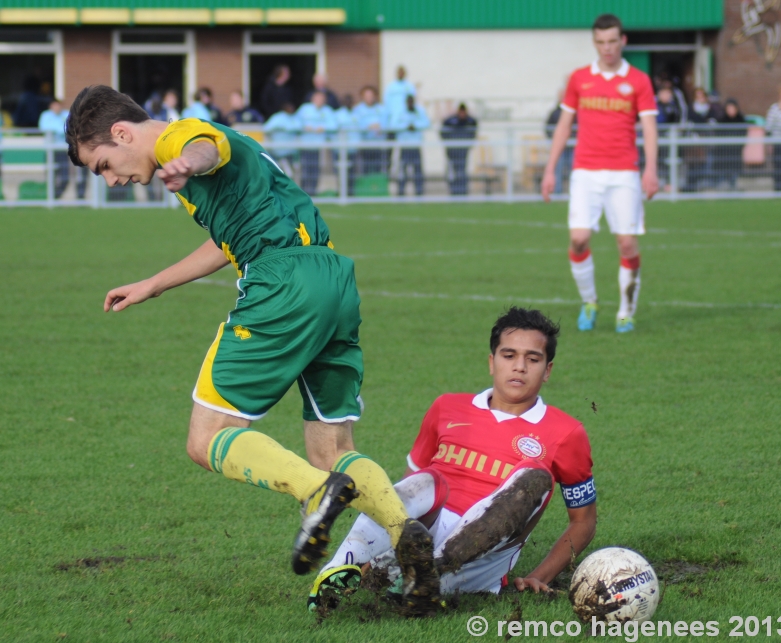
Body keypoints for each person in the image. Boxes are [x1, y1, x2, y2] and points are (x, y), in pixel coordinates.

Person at [64, 85, 441, 613]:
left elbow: (204, 145)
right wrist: (153, 283)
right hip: (333, 280)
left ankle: (316, 494)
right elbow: (227, 238)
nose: (110, 178)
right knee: (333, 446)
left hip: (281, 283)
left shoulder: (180, 140)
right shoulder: (217, 160)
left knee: (207, 440)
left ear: (122, 133)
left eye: (103, 163)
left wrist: (185, 163)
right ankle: (406, 534)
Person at [308, 307, 596, 610]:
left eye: (532, 359)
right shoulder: (447, 407)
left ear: (548, 370)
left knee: (533, 477)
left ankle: (423, 576)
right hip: (422, 536)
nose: (519, 367)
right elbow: (407, 492)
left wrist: (541, 575)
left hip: (484, 554)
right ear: (492, 362)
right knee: (426, 481)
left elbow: (584, 521)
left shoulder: (566, 432)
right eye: (509, 355)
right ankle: (346, 569)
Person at [541, 14, 659, 334]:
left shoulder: (639, 80)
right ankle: (590, 301)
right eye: (601, 42)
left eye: (612, 41)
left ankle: (625, 311)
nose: (607, 48)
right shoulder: (579, 78)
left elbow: (649, 126)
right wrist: (550, 169)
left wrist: (651, 169)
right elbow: (564, 125)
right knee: (578, 240)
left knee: (627, 244)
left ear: (623, 42)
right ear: (595, 43)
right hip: (586, 172)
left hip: (624, 173)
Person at [38, 99, 87, 199]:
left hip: (65, 150)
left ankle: (56, 197)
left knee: (66, 176)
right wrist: (60, 129)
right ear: (50, 106)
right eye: (54, 105)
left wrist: (58, 129)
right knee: (51, 176)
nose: (57, 108)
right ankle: (50, 198)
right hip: (51, 151)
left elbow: (71, 127)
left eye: (58, 105)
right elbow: (44, 127)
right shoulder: (46, 115)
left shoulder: (66, 114)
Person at [296, 91, 338, 196]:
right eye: (317, 98)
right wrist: (304, 127)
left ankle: (313, 191)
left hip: (319, 146)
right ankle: (303, 191)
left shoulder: (327, 111)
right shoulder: (305, 109)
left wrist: (323, 128)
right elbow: (296, 122)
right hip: (305, 145)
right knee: (305, 169)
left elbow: (334, 125)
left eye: (322, 99)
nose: (319, 101)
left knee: (315, 170)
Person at [390, 95, 430, 196]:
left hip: (416, 146)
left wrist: (415, 126)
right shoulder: (400, 112)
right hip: (405, 147)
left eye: (412, 101)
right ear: (406, 102)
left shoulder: (419, 111)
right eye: (409, 102)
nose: (410, 103)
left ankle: (419, 192)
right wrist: (406, 126)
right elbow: (393, 124)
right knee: (402, 172)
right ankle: (401, 192)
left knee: (418, 172)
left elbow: (427, 123)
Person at [440, 103, 477, 196]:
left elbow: (474, 131)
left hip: (463, 151)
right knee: (452, 171)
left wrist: (469, 143)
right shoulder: (450, 120)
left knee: (462, 171)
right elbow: (443, 131)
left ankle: (462, 191)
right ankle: (453, 191)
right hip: (451, 151)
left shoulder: (470, 120)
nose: (462, 115)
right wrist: (448, 143)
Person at [353, 86, 389, 176]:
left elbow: (386, 123)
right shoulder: (358, 110)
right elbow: (356, 124)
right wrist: (368, 127)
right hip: (364, 145)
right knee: (365, 170)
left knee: (378, 169)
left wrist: (380, 127)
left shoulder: (382, 109)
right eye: (366, 96)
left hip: (378, 145)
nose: (369, 98)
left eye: (371, 95)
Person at [713, 98, 748, 189]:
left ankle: (733, 187)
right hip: (723, 152)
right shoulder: (721, 120)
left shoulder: (740, 119)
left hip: (735, 151)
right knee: (723, 171)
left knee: (734, 172)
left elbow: (744, 134)